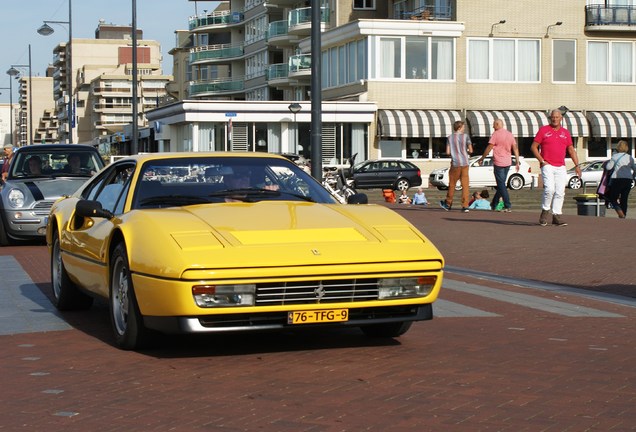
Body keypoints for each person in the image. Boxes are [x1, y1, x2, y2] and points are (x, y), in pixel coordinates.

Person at [531, 109, 581, 226]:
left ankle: (556, 215)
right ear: (550, 118)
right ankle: (545, 211)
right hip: (547, 164)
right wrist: (542, 161)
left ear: (561, 118)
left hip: (561, 166)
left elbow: (571, 150)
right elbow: (533, 147)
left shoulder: (565, 133)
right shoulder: (544, 130)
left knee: (560, 191)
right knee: (549, 189)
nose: (554, 119)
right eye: (553, 117)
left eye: (557, 117)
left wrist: (577, 165)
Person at [477, 119, 519, 212]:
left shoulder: (495, 134)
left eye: (493, 125)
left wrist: (482, 158)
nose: (493, 127)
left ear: (497, 125)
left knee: (501, 184)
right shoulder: (509, 134)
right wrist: (517, 160)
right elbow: (515, 148)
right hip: (508, 162)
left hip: (499, 162)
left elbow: (489, 147)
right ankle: (494, 203)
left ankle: (507, 205)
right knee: (501, 184)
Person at [440, 120, 473, 212]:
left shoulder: (450, 138)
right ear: (459, 127)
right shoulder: (466, 137)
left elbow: (447, 152)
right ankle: (465, 205)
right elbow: (471, 150)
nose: (464, 128)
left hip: (455, 163)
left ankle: (448, 203)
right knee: (465, 185)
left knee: (452, 184)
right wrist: (465, 151)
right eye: (463, 127)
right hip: (465, 163)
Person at [605, 140, 636, 218]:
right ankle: (624, 215)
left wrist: (606, 163)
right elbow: (635, 168)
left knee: (612, 198)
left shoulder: (615, 156)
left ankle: (620, 213)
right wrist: (633, 176)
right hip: (628, 180)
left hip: (617, 179)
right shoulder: (630, 157)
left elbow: (609, 167)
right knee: (624, 199)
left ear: (618, 147)